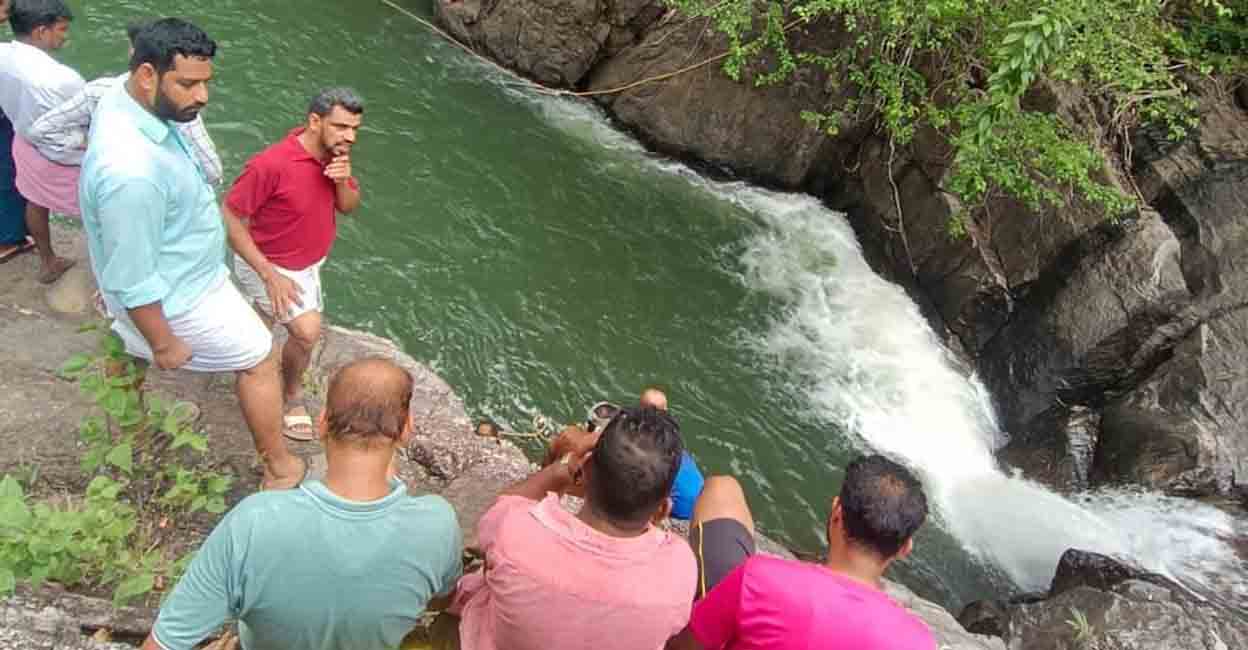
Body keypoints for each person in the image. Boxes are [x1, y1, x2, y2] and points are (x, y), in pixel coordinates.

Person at [78, 18, 304, 489]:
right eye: (188, 84)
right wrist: (164, 342)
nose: (202, 97)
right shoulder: (132, 173)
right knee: (260, 358)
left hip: (180, 267)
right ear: (147, 74)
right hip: (179, 293)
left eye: (206, 82)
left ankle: (133, 428)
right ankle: (279, 466)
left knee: (124, 341)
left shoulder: (122, 98)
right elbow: (134, 276)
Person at [139, 357, 463, 650]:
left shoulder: (256, 522)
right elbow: (442, 598)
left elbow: (165, 644)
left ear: (322, 423)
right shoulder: (438, 523)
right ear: (406, 430)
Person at [449, 406, 697, 650]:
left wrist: (564, 467)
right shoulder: (679, 567)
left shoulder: (516, 532)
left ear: (585, 470)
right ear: (662, 510)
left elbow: (497, 513)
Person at [668, 455, 937, 650]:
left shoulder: (761, 577)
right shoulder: (917, 641)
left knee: (722, 489)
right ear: (905, 547)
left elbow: (684, 647)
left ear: (836, 513)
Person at [223, 87, 363, 441]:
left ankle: (249, 348)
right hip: (269, 263)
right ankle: (291, 394)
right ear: (314, 121)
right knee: (306, 331)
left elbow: (348, 206)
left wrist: (343, 178)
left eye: (355, 128)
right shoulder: (271, 164)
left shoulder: (336, 157)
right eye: (341, 126)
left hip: (308, 263)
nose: (350, 136)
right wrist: (269, 276)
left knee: (264, 326)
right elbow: (229, 216)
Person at [27, 20, 223, 186]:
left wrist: (88, 146)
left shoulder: (99, 90)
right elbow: (212, 172)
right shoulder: (182, 110)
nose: (202, 96)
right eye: (188, 83)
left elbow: (40, 130)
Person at [0, 0, 81, 282]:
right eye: (61, 29)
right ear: (40, 32)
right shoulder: (63, 79)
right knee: (99, 216)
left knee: (35, 201)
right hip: (62, 157)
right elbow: (86, 123)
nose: (65, 35)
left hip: (23, 143)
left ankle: (48, 261)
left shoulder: (3, 56)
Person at [585, 387, 705, 520]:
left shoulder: (643, 451)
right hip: (703, 503)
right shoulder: (672, 439)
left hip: (680, 514)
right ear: (666, 410)